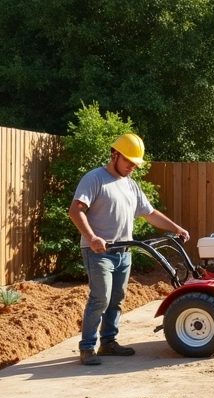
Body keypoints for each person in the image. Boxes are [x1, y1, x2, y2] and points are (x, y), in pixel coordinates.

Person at [68, 133, 189, 365]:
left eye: (135, 163)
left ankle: (108, 342)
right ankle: (87, 347)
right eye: (128, 162)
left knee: (117, 299)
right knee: (100, 298)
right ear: (115, 155)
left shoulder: (131, 184)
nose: (132, 167)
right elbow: (76, 210)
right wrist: (92, 237)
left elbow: (150, 213)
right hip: (99, 252)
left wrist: (176, 228)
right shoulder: (95, 179)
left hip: (124, 251)